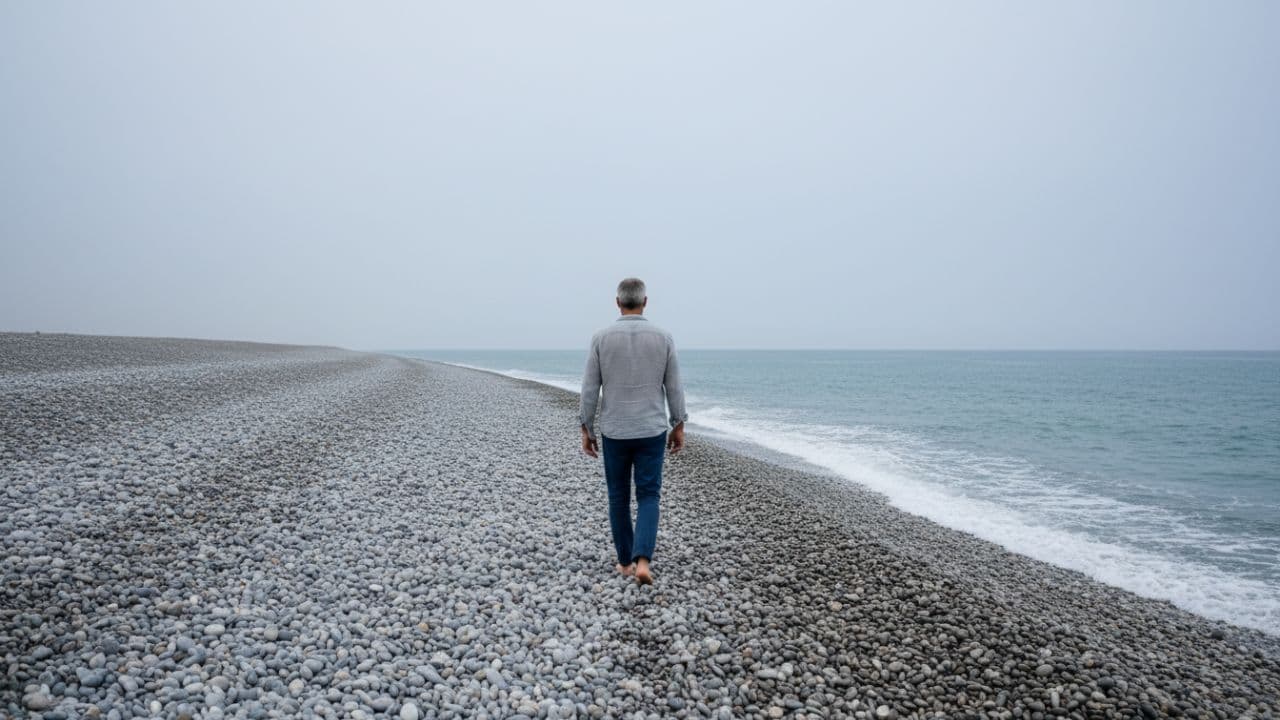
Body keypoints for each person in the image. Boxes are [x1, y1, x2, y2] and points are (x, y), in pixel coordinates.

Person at [579, 277, 687, 586]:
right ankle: (643, 561)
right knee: (649, 494)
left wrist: (586, 427)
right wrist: (678, 423)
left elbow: (589, 389)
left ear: (617, 302)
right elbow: (674, 386)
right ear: (645, 302)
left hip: (615, 429)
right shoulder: (663, 337)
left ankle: (625, 563)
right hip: (651, 428)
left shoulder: (601, 338)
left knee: (618, 496)